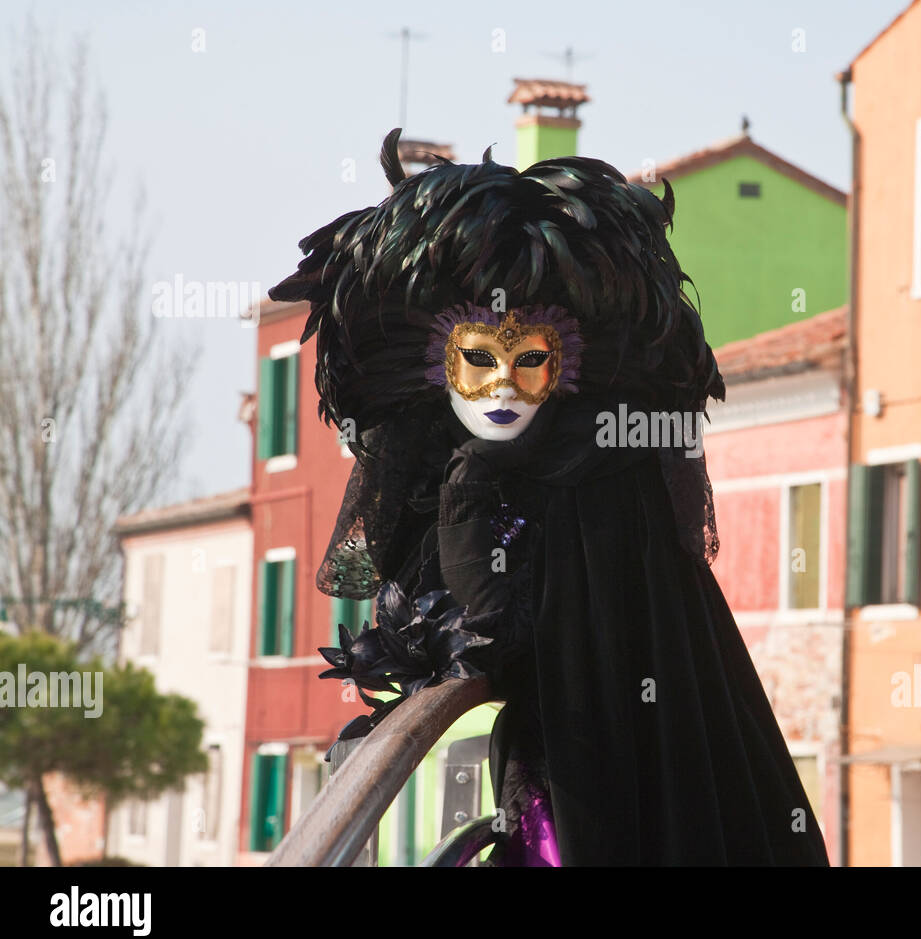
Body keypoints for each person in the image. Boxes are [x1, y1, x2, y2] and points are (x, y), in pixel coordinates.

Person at [268, 130, 829, 866]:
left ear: (565, 365)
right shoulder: (490, 469)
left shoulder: (605, 478)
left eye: (529, 360)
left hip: (595, 788)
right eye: (478, 359)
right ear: (436, 363)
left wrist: (471, 490)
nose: (502, 385)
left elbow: (497, 634)